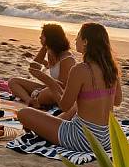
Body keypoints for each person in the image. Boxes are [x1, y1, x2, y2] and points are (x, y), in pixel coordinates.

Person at [17, 23, 122, 152]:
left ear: (85, 42)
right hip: (106, 139)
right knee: (63, 116)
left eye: (78, 36)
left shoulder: (80, 69)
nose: (75, 40)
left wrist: (51, 83)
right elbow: (117, 101)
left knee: (24, 113)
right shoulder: (111, 68)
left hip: (82, 139)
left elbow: (65, 106)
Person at [8, 24, 75, 108]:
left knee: (48, 92)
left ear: (50, 38)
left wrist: (44, 78)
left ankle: (36, 97)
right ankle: (30, 101)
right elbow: (33, 67)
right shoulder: (50, 52)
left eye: (42, 36)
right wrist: (44, 47)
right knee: (13, 81)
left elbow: (63, 87)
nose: (40, 38)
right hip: (48, 87)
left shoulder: (67, 59)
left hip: (58, 93)